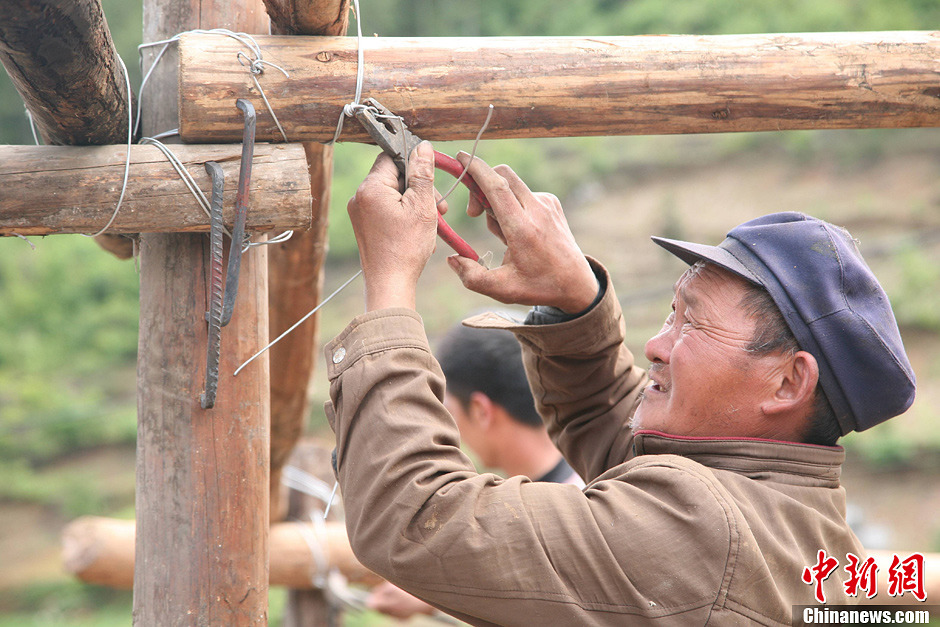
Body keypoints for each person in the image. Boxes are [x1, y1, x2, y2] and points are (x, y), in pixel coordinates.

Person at [324, 142, 915, 625]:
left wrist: (391, 283)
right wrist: (573, 299)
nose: (656, 345)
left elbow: (418, 516)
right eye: (672, 313)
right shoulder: (783, 509)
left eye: (693, 323)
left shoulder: (709, 534)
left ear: (788, 383)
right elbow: (616, 427)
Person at [367, 323, 584, 620]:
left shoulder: (548, 519)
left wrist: (436, 595)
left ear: (481, 410)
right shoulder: (589, 484)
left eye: (450, 408)